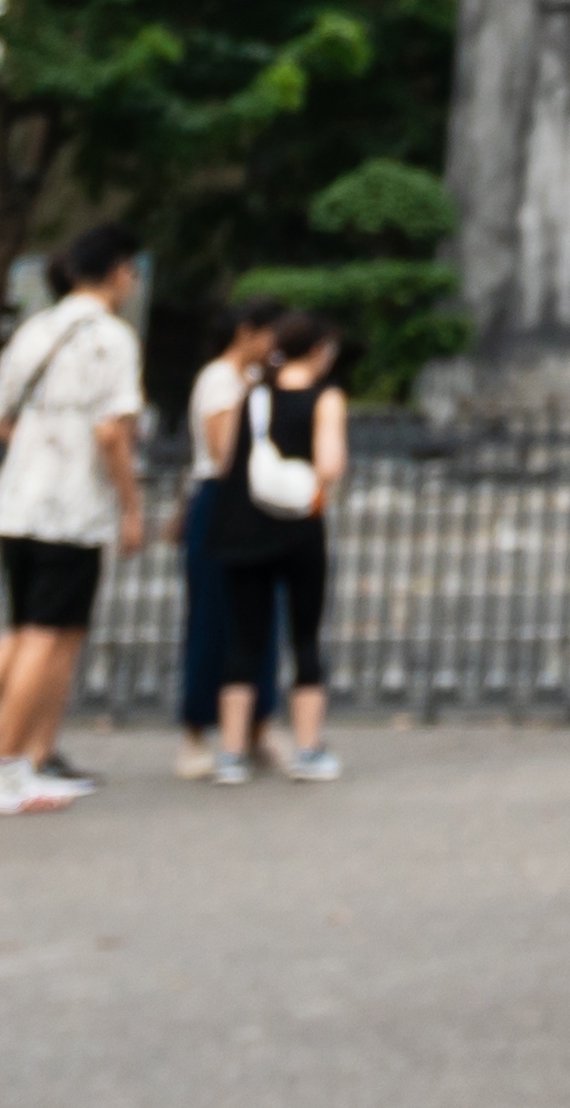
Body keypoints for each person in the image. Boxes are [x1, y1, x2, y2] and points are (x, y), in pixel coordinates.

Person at [0, 223, 146, 819]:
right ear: (121, 272)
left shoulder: (34, 330)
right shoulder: (112, 339)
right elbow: (111, 433)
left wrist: (42, 442)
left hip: (18, 498)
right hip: (72, 507)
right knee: (46, 637)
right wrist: (132, 505)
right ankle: (7, 767)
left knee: (25, 629)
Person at [210, 308, 350, 783]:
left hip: (245, 526)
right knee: (304, 635)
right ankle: (308, 748)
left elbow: (225, 459)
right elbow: (330, 464)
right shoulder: (324, 398)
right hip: (300, 527)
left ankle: (230, 753)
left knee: (244, 640)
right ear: (317, 351)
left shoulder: (251, 394)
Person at [175, 307, 273, 770]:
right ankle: (196, 731)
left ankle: (258, 724)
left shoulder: (255, 377)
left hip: (256, 499)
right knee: (213, 615)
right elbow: (222, 451)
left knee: (261, 616)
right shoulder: (220, 379)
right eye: (268, 333)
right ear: (246, 332)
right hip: (222, 497)